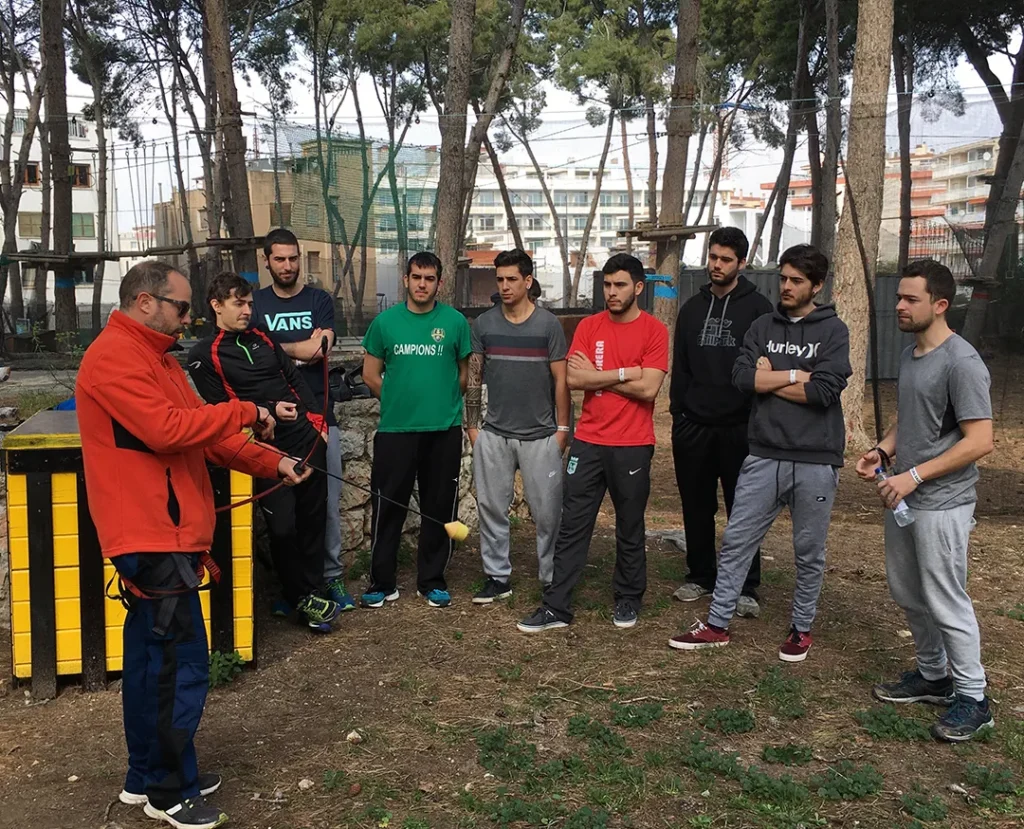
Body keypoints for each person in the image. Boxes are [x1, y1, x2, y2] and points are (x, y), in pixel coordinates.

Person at [76, 261, 308, 829]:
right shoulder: (112, 357)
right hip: (151, 533)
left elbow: (202, 433)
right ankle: (169, 789)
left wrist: (271, 460)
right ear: (145, 302)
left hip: (168, 531)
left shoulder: (159, 359)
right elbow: (169, 431)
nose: (190, 317)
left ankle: (144, 775)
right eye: (182, 307)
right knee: (179, 666)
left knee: (149, 661)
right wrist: (248, 411)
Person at [669, 244, 850, 663]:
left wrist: (769, 377)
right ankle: (716, 624)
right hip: (763, 452)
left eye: (796, 281)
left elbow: (824, 391)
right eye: (783, 278)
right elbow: (741, 378)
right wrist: (792, 376)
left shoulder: (833, 331)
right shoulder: (763, 324)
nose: (786, 287)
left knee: (809, 553)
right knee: (736, 541)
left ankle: (801, 630)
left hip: (816, 459)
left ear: (817, 285)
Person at [855, 260, 994, 742]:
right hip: (904, 497)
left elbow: (980, 441)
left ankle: (974, 697)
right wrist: (882, 450)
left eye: (910, 299)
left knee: (945, 598)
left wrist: (914, 475)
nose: (899, 305)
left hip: (943, 502)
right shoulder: (913, 354)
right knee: (908, 593)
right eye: (899, 297)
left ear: (939, 305)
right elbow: (911, 418)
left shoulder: (962, 362)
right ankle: (933, 675)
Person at [517, 253, 669, 633]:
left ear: (638, 288)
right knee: (573, 524)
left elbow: (650, 388)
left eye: (620, 285)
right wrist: (622, 373)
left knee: (629, 524)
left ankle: (628, 597)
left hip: (632, 443)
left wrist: (598, 375)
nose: (611, 293)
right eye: (606, 285)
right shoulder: (588, 326)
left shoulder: (654, 331)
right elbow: (573, 380)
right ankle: (556, 607)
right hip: (588, 441)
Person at [188, 271, 341, 632]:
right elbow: (221, 407)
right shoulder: (202, 355)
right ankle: (299, 596)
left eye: (250, 304)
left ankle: (312, 591)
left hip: (305, 439)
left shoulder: (264, 338)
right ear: (216, 305)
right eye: (238, 304)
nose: (246, 310)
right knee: (283, 527)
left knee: (313, 520)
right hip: (263, 450)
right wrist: (269, 408)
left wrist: (318, 424)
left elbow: (296, 380)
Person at [360, 251, 472, 608]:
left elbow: (464, 375)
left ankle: (432, 580)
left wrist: (442, 402)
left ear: (439, 283)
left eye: (429, 278)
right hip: (396, 430)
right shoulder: (385, 324)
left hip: (444, 430)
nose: (422, 284)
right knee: (387, 505)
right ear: (405, 280)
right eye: (416, 277)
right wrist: (396, 399)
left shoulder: (454, 322)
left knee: (439, 507)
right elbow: (370, 374)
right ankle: (382, 582)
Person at [670, 227, 772, 617]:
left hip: (740, 427)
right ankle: (700, 574)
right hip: (693, 424)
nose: (716, 265)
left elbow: (766, 368)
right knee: (695, 504)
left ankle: (747, 583)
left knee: (743, 507)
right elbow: (681, 367)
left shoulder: (760, 309)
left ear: (741, 263)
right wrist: (679, 413)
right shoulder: (691, 309)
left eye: (725, 259)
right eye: (712, 257)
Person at [250, 228, 353, 612]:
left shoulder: (319, 299)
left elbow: (321, 349)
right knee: (282, 514)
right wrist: (297, 349)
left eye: (293, 258)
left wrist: (276, 349)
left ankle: (330, 579)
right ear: (267, 261)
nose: (288, 265)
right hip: (269, 423)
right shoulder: (255, 303)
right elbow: (255, 356)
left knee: (325, 507)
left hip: (320, 419)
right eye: (280, 259)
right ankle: (292, 590)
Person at [466, 249, 570, 602]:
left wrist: (563, 431)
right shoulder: (484, 324)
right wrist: (472, 427)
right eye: (500, 279)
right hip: (494, 433)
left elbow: (561, 381)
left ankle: (551, 577)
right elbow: (474, 378)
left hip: (541, 436)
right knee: (492, 508)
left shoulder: (548, 325)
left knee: (547, 513)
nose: (505, 286)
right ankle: (497, 578)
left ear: (528, 281)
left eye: (512, 279)